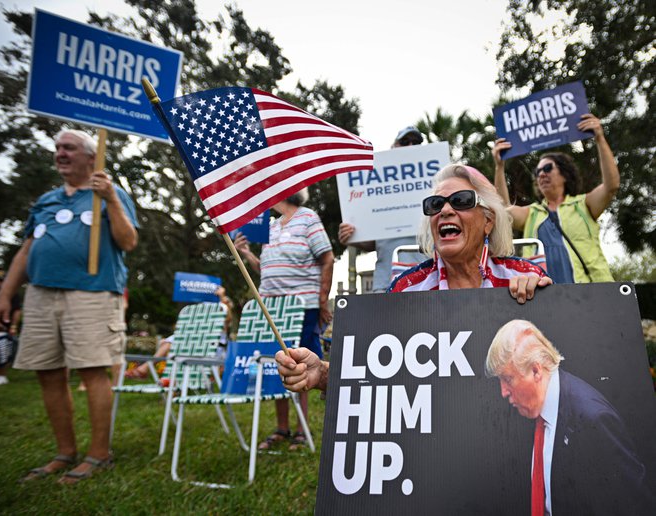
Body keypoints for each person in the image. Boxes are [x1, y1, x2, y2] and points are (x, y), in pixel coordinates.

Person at [277, 164, 551, 393]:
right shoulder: (406, 290)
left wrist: (543, 305)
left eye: (461, 201)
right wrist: (322, 373)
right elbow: (378, 370)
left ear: (488, 220)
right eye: (435, 205)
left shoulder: (524, 278)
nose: (444, 211)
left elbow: (558, 369)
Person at [0, 129, 138, 483]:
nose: (60, 153)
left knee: (92, 370)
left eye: (69, 148)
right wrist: (5, 294)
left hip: (91, 292)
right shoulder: (47, 201)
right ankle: (65, 452)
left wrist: (111, 200)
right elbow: (27, 250)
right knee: (48, 372)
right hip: (41, 294)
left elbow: (128, 241)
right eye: (58, 147)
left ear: (91, 157)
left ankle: (99, 454)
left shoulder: (110, 193)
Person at [485, 319, 654, 515]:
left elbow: (633, 506)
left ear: (536, 371)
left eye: (507, 379)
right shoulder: (533, 413)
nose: (503, 392)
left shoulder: (593, 421)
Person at [234, 188, 334, 450]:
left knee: (300, 364)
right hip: (272, 308)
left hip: (303, 306)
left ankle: (301, 431)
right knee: (279, 363)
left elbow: (327, 258)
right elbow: (265, 269)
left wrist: (323, 300)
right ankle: (282, 427)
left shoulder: (308, 218)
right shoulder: (270, 227)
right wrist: (246, 253)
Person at [492, 113, 618, 284]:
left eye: (547, 168)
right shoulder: (531, 214)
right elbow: (502, 210)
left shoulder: (584, 205)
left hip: (590, 294)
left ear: (565, 174)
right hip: (543, 296)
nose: (541, 174)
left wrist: (600, 139)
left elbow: (611, 186)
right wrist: (499, 167)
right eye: (537, 172)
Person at [338, 126, 427, 292]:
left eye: (415, 142)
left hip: (428, 280)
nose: (410, 146)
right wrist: (351, 236)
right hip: (387, 282)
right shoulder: (377, 195)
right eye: (405, 142)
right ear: (394, 147)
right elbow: (373, 243)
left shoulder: (437, 183)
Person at [0, 271, 22, 385]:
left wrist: (13, 326)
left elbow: (17, 310)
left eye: (0, 281)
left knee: (3, 352)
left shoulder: (12, 294)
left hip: (4, 329)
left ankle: (1, 376)